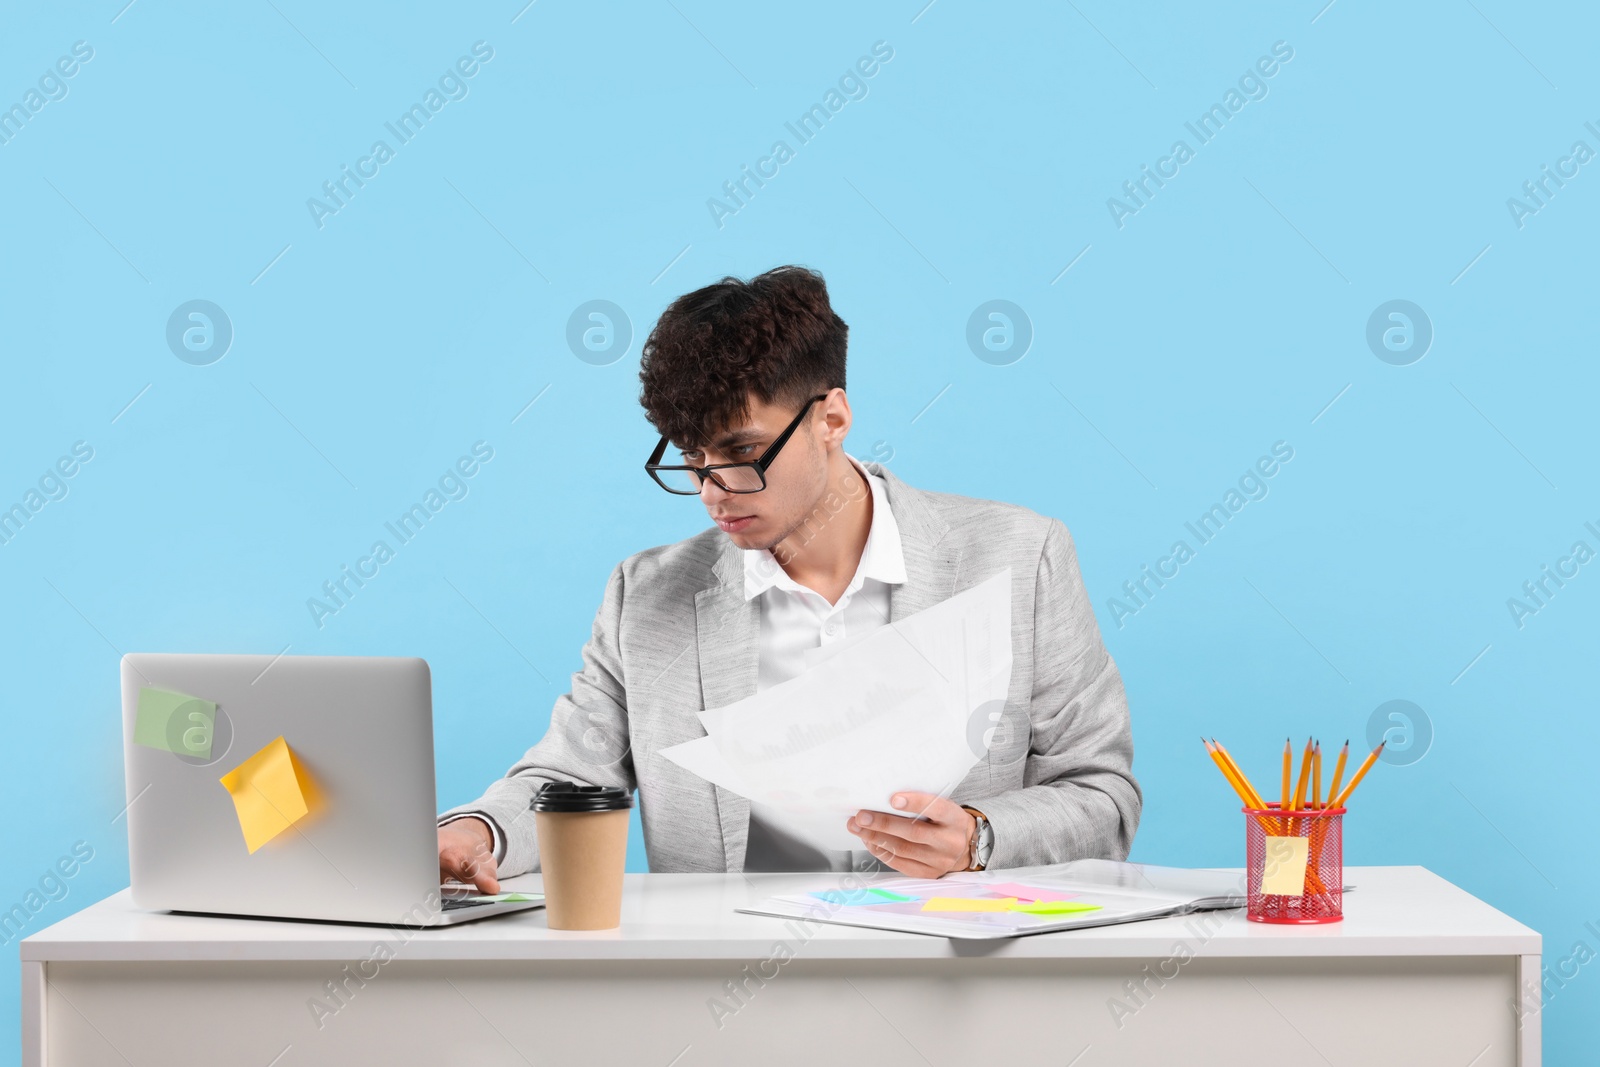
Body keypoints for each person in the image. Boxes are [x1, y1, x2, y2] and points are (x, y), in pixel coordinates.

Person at [438, 265, 1139, 893]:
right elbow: (567, 776)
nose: (714, 489)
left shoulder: (1021, 556)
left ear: (831, 417)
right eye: (693, 457)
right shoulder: (646, 595)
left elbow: (1102, 795)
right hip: (735, 992)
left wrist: (980, 837)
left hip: (948, 985)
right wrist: (476, 833)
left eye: (742, 451)